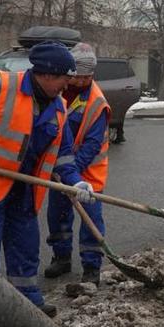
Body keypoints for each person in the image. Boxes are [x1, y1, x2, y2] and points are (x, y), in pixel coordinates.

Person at [0, 41, 94, 327]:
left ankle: (26, 300)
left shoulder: (59, 107)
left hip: (24, 189)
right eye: (65, 77)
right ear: (47, 75)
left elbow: (63, 155)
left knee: (25, 247)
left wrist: (76, 179)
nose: (69, 84)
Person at [43, 43, 110, 285]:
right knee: (57, 215)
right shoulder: (58, 92)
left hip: (89, 172)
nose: (80, 81)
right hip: (60, 169)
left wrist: (74, 174)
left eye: (86, 77)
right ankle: (61, 258)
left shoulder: (97, 103)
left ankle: (92, 267)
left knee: (91, 219)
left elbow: (92, 145)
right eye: (77, 76)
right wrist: (63, 170)